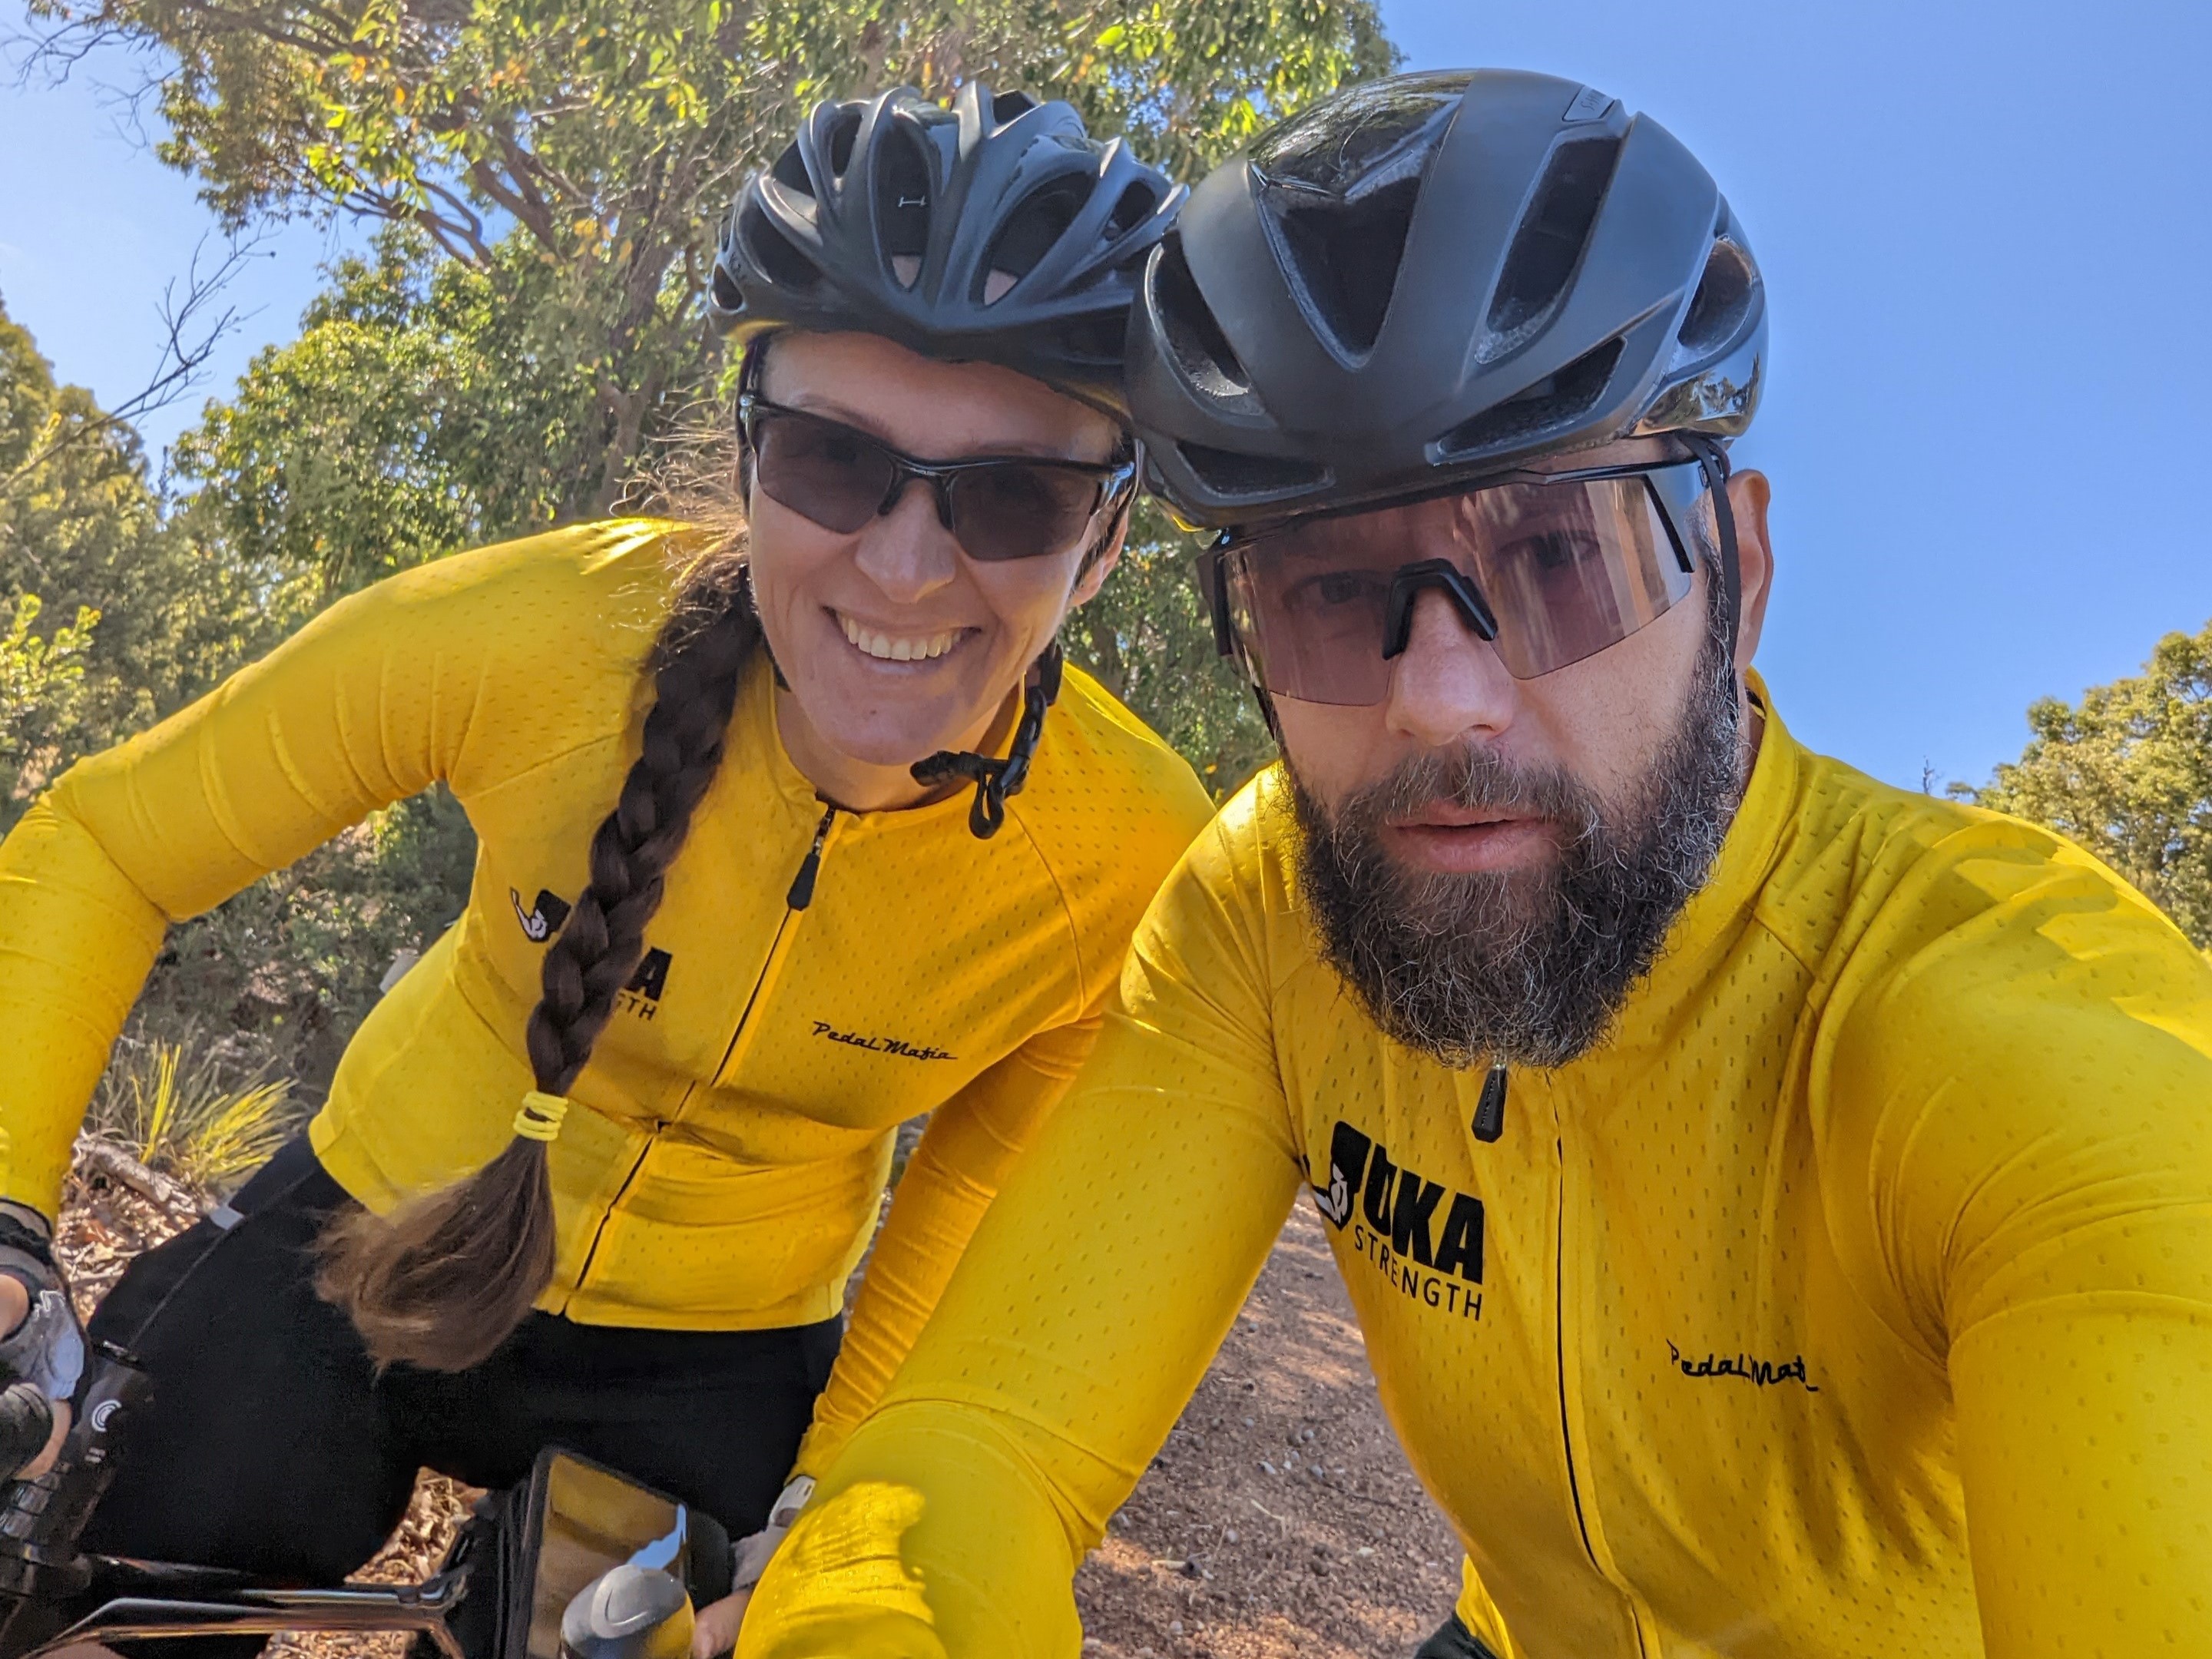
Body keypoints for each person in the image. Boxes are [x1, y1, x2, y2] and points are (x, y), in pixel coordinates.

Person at [733, 68, 2212, 1659]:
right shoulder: (1267, 913)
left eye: (1563, 558)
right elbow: (981, 1448)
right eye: (1322, 590)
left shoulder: (2026, 1045)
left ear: (1744, 571)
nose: (1440, 697)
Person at [0, 80, 1211, 1647]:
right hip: (369, 1220)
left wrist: (836, 1489)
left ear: (1105, 540)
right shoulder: (543, 640)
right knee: (79, 1599)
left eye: (1014, 497)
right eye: (835, 463)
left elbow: (977, 1179)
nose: (906, 567)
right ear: (750, 449)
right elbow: (110, 841)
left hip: (719, 1354)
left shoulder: (1127, 854)